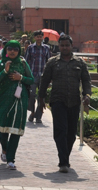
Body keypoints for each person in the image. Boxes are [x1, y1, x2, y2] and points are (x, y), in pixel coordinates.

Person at [39, 34, 92, 173]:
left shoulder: (79, 63)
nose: (64, 47)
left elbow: (86, 80)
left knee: (71, 133)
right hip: (58, 101)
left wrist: (87, 95)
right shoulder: (52, 62)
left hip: (74, 102)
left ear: (71, 46)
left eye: (67, 45)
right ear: (59, 46)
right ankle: (63, 161)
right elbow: (44, 81)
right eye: (62, 45)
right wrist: (41, 99)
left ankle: (65, 157)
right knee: (60, 131)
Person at [0, 40, 33, 170]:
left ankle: (11, 160)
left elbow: (31, 79)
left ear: (19, 51)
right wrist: (5, 71)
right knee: (4, 129)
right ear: (5, 50)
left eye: (15, 49)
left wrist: (21, 77)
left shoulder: (23, 63)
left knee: (16, 130)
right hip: (3, 100)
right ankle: (5, 150)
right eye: (9, 49)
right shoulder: (0, 63)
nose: (12, 51)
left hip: (19, 101)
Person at [24, 31, 52, 124]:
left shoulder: (46, 48)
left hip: (43, 76)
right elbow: (26, 62)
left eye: (41, 37)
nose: (39, 38)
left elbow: (49, 62)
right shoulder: (30, 48)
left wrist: (50, 76)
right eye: (37, 37)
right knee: (31, 95)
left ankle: (38, 116)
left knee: (42, 97)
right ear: (34, 38)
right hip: (32, 75)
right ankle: (32, 112)